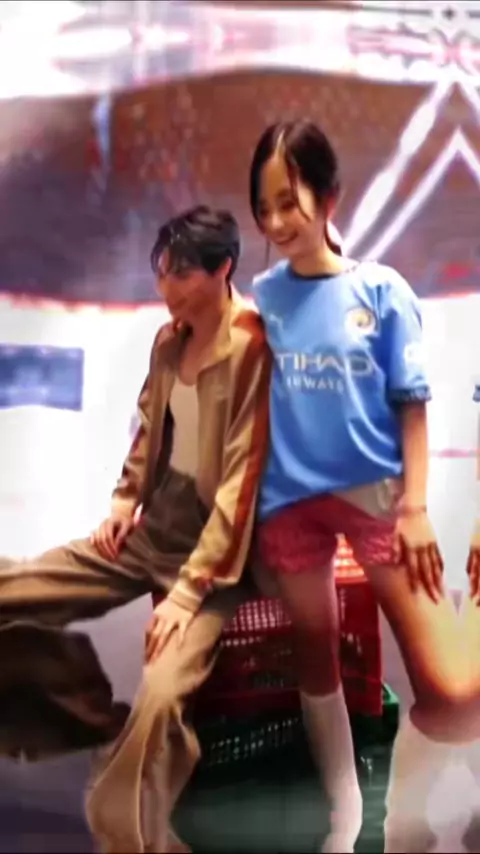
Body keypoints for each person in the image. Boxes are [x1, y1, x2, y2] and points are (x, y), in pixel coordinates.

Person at [0, 205, 271, 853]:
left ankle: (126, 828)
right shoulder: (168, 340)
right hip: (155, 526)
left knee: (162, 700)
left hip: (216, 556)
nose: (165, 286)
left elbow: (241, 485)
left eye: (180, 274)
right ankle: (88, 713)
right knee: (17, 587)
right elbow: (151, 430)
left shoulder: (253, 347)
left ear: (222, 270)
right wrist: (125, 503)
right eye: (161, 271)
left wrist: (188, 592)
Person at [248, 119, 475, 854]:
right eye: (265, 206)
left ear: (330, 198)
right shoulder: (261, 300)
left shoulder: (381, 291)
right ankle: (347, 818)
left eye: (290, 201)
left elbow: (413, 407)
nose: (277, 222)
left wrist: (415, 508)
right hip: (290, 510)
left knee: (454, 692)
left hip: (378, 501)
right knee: (316, 661)